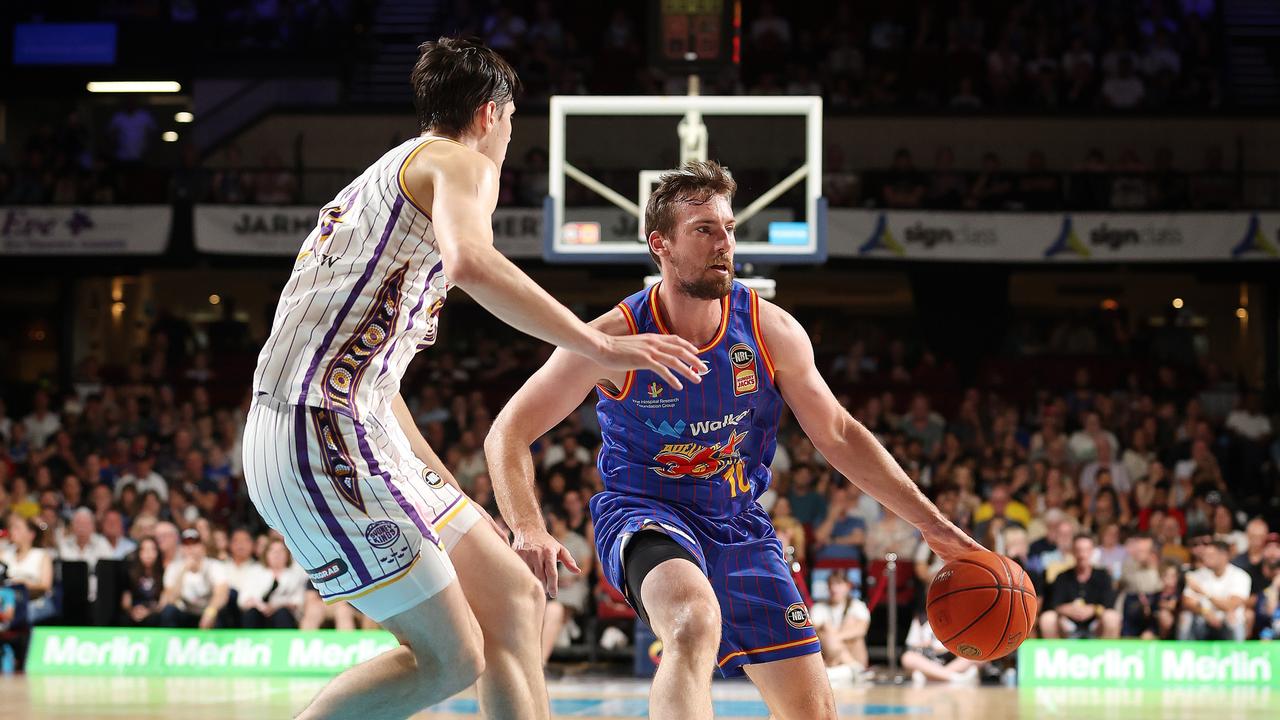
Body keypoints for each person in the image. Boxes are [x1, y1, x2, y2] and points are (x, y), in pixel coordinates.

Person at [240, 36, 705, 720]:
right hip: (315, 428)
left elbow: (381, 380)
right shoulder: (460, 161)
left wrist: (445, 492)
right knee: (452, 660)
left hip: (351, 420)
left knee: (515, 598)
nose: (508, 137)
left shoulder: (388, 177)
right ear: (491, 114)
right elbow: (471, 263)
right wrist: (593, 344)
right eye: (512, 122)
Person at [486, 160, 981, 720]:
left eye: (728, 227)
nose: (724, 242)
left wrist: (934, 526)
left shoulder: (771, 330)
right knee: (692, 621)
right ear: (661, 245)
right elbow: (509, 431)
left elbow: (839, 434)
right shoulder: (612, 337)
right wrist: (527, 525)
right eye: (703, 229)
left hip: (740, 524)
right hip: (645, 515)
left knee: (814, 712)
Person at [1039, 534, 1120, 639]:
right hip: (1066, 625)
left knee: (1111, 617)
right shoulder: (1062, 577)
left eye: (1086, 550)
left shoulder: (1103, 576)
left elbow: (1109, 604)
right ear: (1073, 552)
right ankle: (1053, 653)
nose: (1082, 555)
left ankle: (1109, 653)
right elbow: (1053, 604)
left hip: (1096, 624)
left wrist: (1093, 610)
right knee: (1047, 618)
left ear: (1092, 552)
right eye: (1079, 550)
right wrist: (1069, 610)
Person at [539, 509, 592, 664]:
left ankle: (540, 662)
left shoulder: (577, 541)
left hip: (572, 584)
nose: (551, 525)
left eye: (553, 521)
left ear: (562, 522)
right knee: (550, 609)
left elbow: (586, 568)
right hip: (549, 585)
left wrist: (571, 579)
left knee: (555, 610)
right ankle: (565, 627)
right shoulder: (545, 541)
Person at [1179, 540, 1251, 641]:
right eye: (1205, 555)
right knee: (1186, 617)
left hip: (1228, 621)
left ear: (1224, 556)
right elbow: (1187, 601)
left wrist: (1204, 593)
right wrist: (1205, 612)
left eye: (1210, 555)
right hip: (1203, 620)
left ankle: (1238, 653)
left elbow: (1230, 605)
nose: (1205, 558)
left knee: (1235, 619)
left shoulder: (1240, 576)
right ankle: (1185, 653)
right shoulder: (1198, 575)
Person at [158, 529, 229, 629]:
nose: (190, 548)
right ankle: (169, 641)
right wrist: (183, 571)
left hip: (209, 611)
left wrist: (210, 612)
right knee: (169, 611)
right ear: (181, 548)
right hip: (186, 613)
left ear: (202, 547)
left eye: (194, 544)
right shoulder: (173, 568)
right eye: (186, 544)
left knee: (223, 609)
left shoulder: (214, 565)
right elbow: (170, 599)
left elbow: (221, 594)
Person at [811, 571, 870, 681]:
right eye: (831, 585)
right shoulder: (818, 607)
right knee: (825, 629)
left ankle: (849, 667)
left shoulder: (858, 606)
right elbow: (814, 631)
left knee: (850, 623)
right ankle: (853, 667)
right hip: (831, 655)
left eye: (838, 584)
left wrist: (835, 638)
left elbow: (861, 630)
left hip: (852, 654)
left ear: (848, 586)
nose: (834, 588)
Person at [239, 538, 309, 628]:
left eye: (281, 551)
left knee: (282, 613)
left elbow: (298, 601)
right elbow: (243, 599)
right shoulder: (255, 571)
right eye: (273, 551)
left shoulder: (295, 575)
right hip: (259, 612)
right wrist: (261, 606)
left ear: (287, 555)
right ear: (266, 554)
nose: (277, 554)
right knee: (251, 614)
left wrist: (277, 606)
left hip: (283, 614)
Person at [0, 514, 56, 623]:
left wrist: (22, 585)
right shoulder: (4, 554)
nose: (13, 531)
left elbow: (45, 586)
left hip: (33, 602)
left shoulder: (42, 555)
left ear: (31, 534)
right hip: (6, 602)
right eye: (12, 528)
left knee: (20, 615)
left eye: (18, 528)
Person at [121, 536, 166, 625]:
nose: (148, 554)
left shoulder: (163, 573)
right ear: (139, 553)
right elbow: (126, 601)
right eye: (144, 550)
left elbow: (163, 602)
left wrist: (149, 611)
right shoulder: (130, 573)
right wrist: (132, 611)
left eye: (152, 550)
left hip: (154, 612)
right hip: (135, 610)